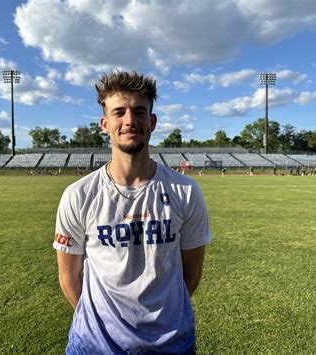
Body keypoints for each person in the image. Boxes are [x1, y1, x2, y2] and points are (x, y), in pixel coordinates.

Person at [54, 71, 211, 354]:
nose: (129, 120)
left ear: (152, 122)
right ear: (105, 124)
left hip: (171, 346)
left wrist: (162, 322)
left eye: (139, 111)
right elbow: (68, 277)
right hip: (93, 346)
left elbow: (193, 272)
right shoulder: (78, 195)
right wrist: (100, 325)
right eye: (119, 112)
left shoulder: (186, 191)